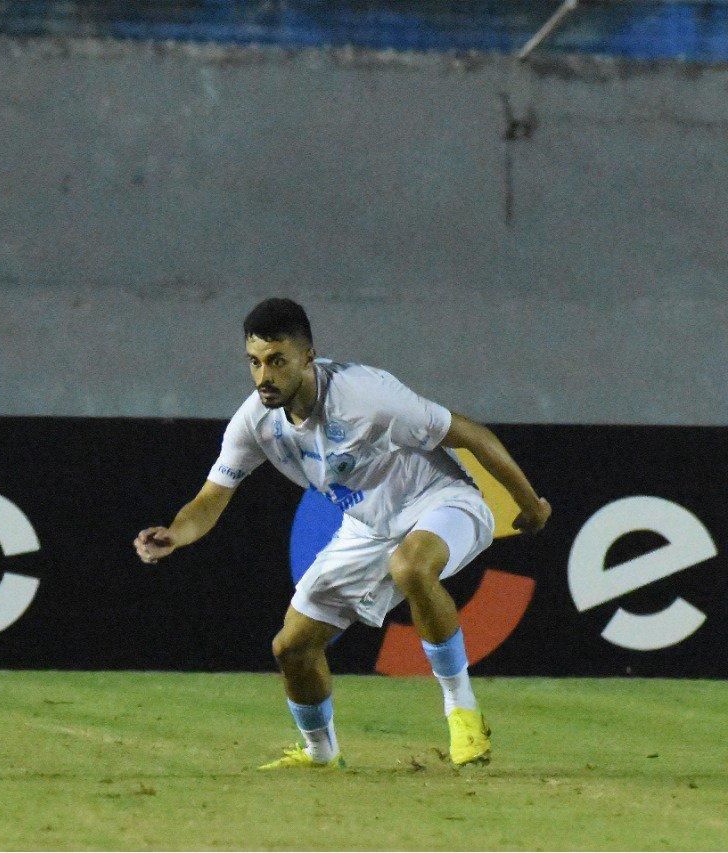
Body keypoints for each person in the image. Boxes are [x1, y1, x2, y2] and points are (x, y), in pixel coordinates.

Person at [134, 298, 550, 769]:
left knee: (411, 566)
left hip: (442, 501)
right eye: (254, 363)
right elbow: (211, 498)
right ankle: (320, 754)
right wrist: (174, 534)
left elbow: (470, 433)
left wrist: (529, 504)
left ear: (308, 358)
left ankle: (462, 712)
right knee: (291, 649)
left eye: (277, 361)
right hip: (367, 528)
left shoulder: (366, 396)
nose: (263, 376)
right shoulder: (255, 422)